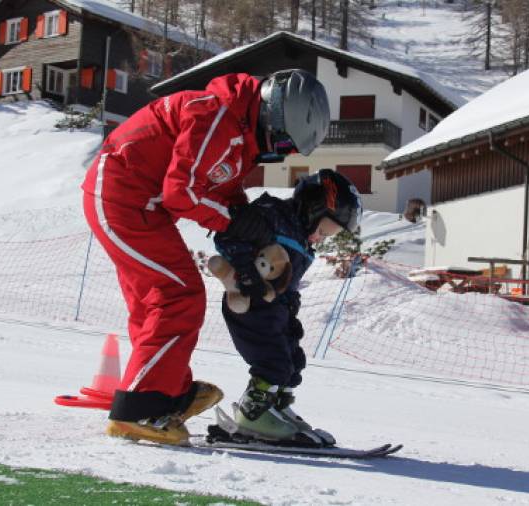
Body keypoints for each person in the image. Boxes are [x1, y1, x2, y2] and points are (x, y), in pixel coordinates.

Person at [81, 69, 330, 445]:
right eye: (282, 145)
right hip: (121, 199)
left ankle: (166, 392)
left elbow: (222, 195)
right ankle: (141, 410)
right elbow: (182, 192)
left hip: (140, 205)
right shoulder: (217, 117)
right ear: (273, 117)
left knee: (157, 303)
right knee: (178, 295)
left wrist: (247, 248)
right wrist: (239, 222)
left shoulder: (237, 130)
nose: (279, 156)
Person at [214, 169, 362, 444]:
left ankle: (275, 406)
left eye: (331, 233)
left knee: (293, 360)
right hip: (250, 301)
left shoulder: (300, 235)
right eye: (326, 228)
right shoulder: (272, 215)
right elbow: (227, 236)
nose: (323, 237)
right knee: (273, 361)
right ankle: (253, 413)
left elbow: (286, 275)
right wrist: (246, 271)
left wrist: (290, 299)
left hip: (275, 306)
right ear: (314, 206)